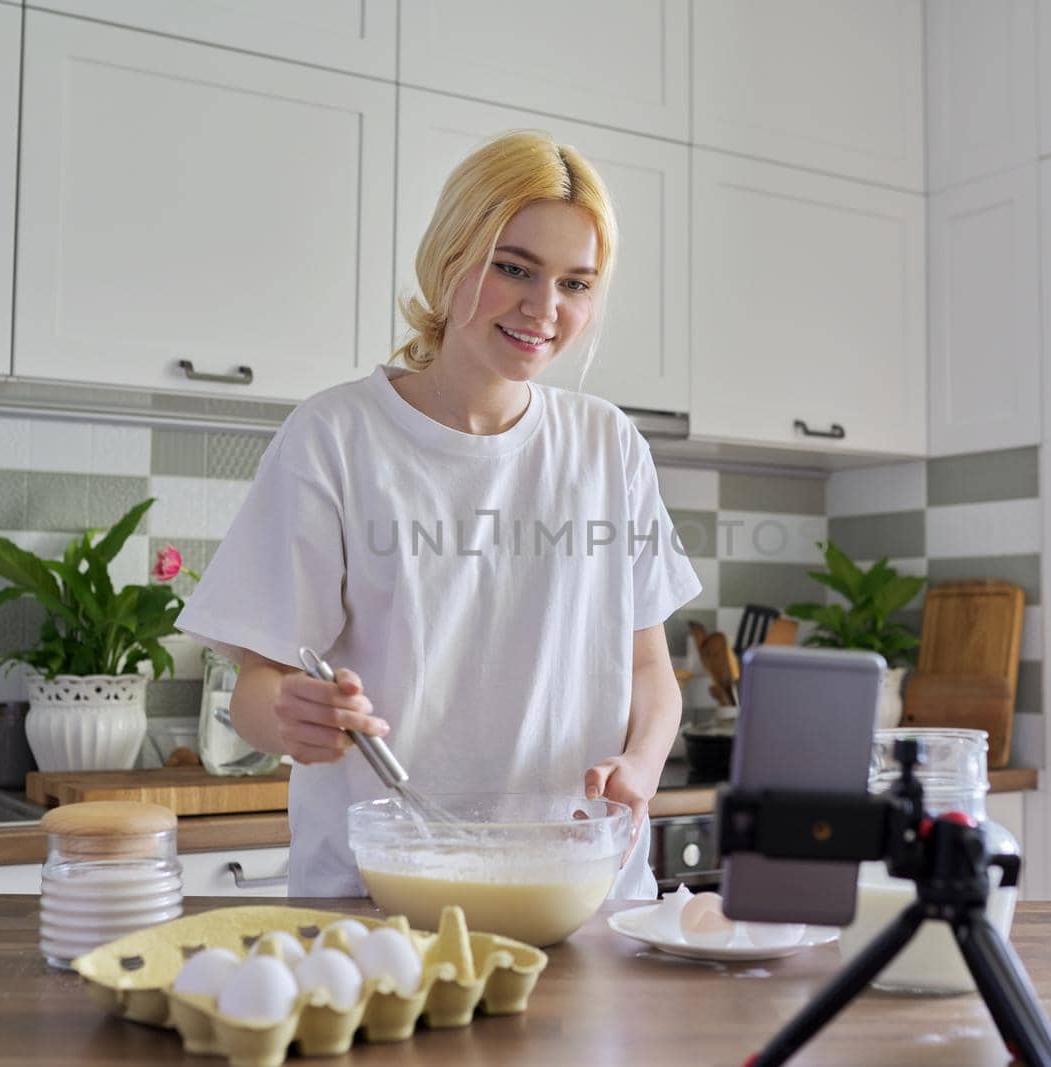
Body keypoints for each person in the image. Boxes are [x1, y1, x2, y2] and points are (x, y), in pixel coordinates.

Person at [176, 130, 702, 898]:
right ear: (452, 254)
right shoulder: (336, 437)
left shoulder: (608, 446)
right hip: (380, 898)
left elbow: (650, 670)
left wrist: (643, 763)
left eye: (576, 284)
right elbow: (259, 689)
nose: (543, 307)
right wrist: (296, 714)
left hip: (581, 891)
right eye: (513, 267)